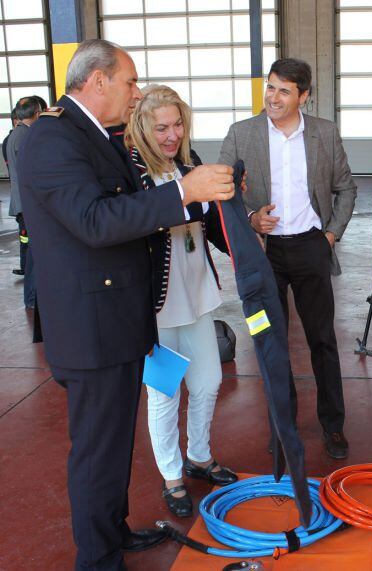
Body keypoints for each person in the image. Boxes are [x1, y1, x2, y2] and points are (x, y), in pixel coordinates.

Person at [18, 39, 235, 570]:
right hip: (90, 327)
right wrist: (182, 193)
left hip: (114, 319)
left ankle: (111, 534)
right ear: (97, 82)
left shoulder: (92, 135)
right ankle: (97, 560)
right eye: (130, 82)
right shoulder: (50, 138)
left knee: (114, 445)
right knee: (96, 451)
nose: (135, 93)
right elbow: (94, 221)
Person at [219, 58, 357, 460]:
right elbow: (222, 193)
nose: (273, 97)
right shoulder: (241, 134)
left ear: (304, 96)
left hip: (311, 247)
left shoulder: (324, 135)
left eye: (284, 90)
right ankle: (283, 426)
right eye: (270, 87)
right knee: (271, 343)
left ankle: (333, 426)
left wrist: (329, 235)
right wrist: (249, 218)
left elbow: (346, 189)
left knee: (323, 341)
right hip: (266, 255)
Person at [124, 84, 237, 519]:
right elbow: (138, 223)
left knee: (208, 382)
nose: (172, 135)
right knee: (164, 393)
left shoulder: (188, 164)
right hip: (157, 307)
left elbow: (211, 225)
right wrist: (191, 197)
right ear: (143, 128)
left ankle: (200, 456)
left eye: (177, 125)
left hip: (196, 296)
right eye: (161, 127)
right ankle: (173, 476)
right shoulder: (134, 172)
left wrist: (246, 230)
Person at [7, 99, 42, 299]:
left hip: (22, 201)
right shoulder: (24, 136)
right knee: (32, 252)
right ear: (37, 113)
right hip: (26, 202)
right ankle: (31, 296)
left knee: (30, 249)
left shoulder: (16, 135)